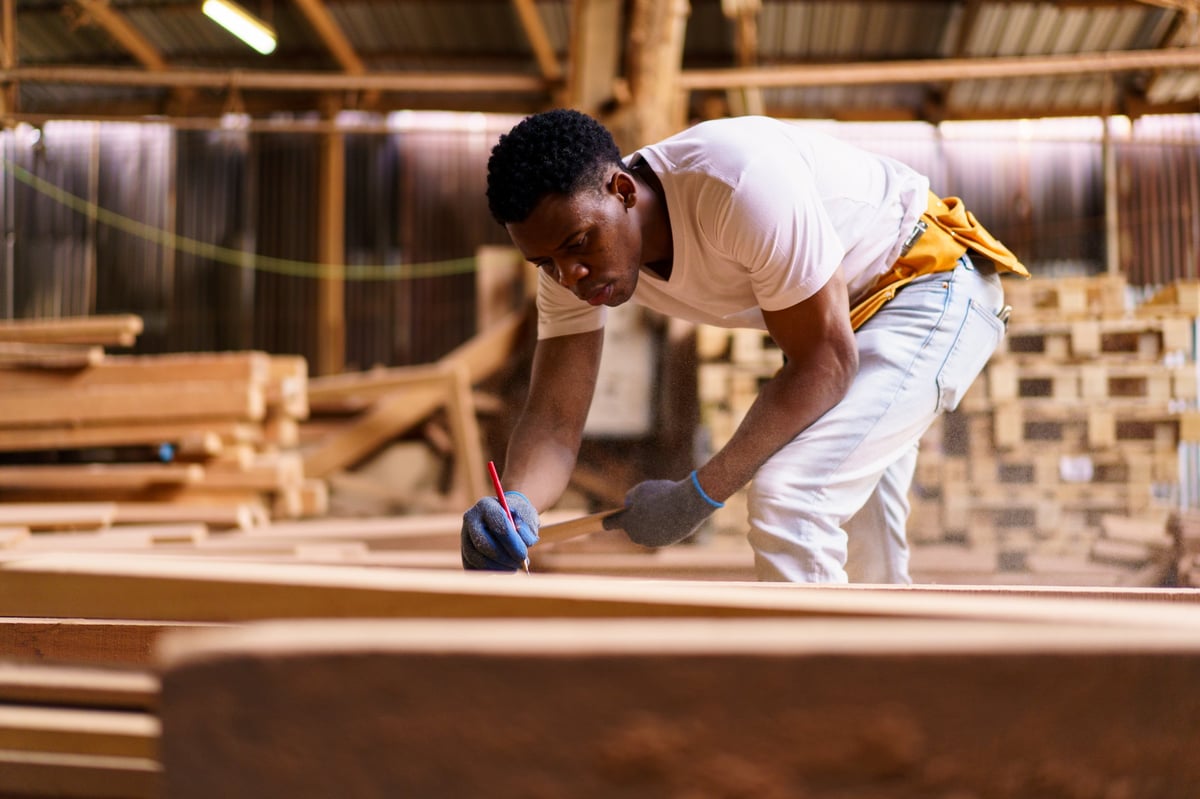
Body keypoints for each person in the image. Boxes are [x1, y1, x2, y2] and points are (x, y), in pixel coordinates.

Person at [461, 109, 1028, 583]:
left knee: (794, 499)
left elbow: (826, 361)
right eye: (546, 264)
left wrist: (696, 495)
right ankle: (887, 693)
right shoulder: (569, 268)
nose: (572, 275)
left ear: (624, 191)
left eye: (579, 243)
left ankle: (817, 710)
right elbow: (555, 419)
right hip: (849, 323)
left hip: (929, 283)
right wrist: (513, 508)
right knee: (864, 548)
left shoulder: (737, 183)